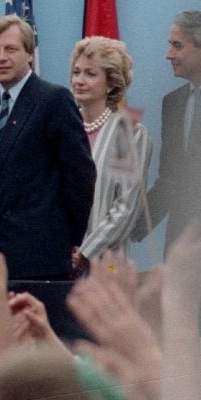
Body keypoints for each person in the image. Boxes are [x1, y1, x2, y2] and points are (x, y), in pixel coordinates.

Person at [0, 15, 95, 279]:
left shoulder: (53, 100)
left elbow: (80, 175)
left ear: (30, 54)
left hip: (43, 256)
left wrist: (71, 239)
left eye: (11, 49)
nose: (1, 57)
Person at [142, 10, 201, 254]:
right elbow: (169, 179)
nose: (169, 55)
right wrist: (130, 229)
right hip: (181, 244)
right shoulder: (172, 104)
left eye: (177, 46)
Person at [68, 36, 152, 268]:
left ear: (111, 83)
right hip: (56, 261)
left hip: (104, 266)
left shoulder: (127, 132)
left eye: (90, 74)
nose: (80, 81)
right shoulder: (62, 126)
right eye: (77, 72)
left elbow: (125, 207)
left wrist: (86, 253)